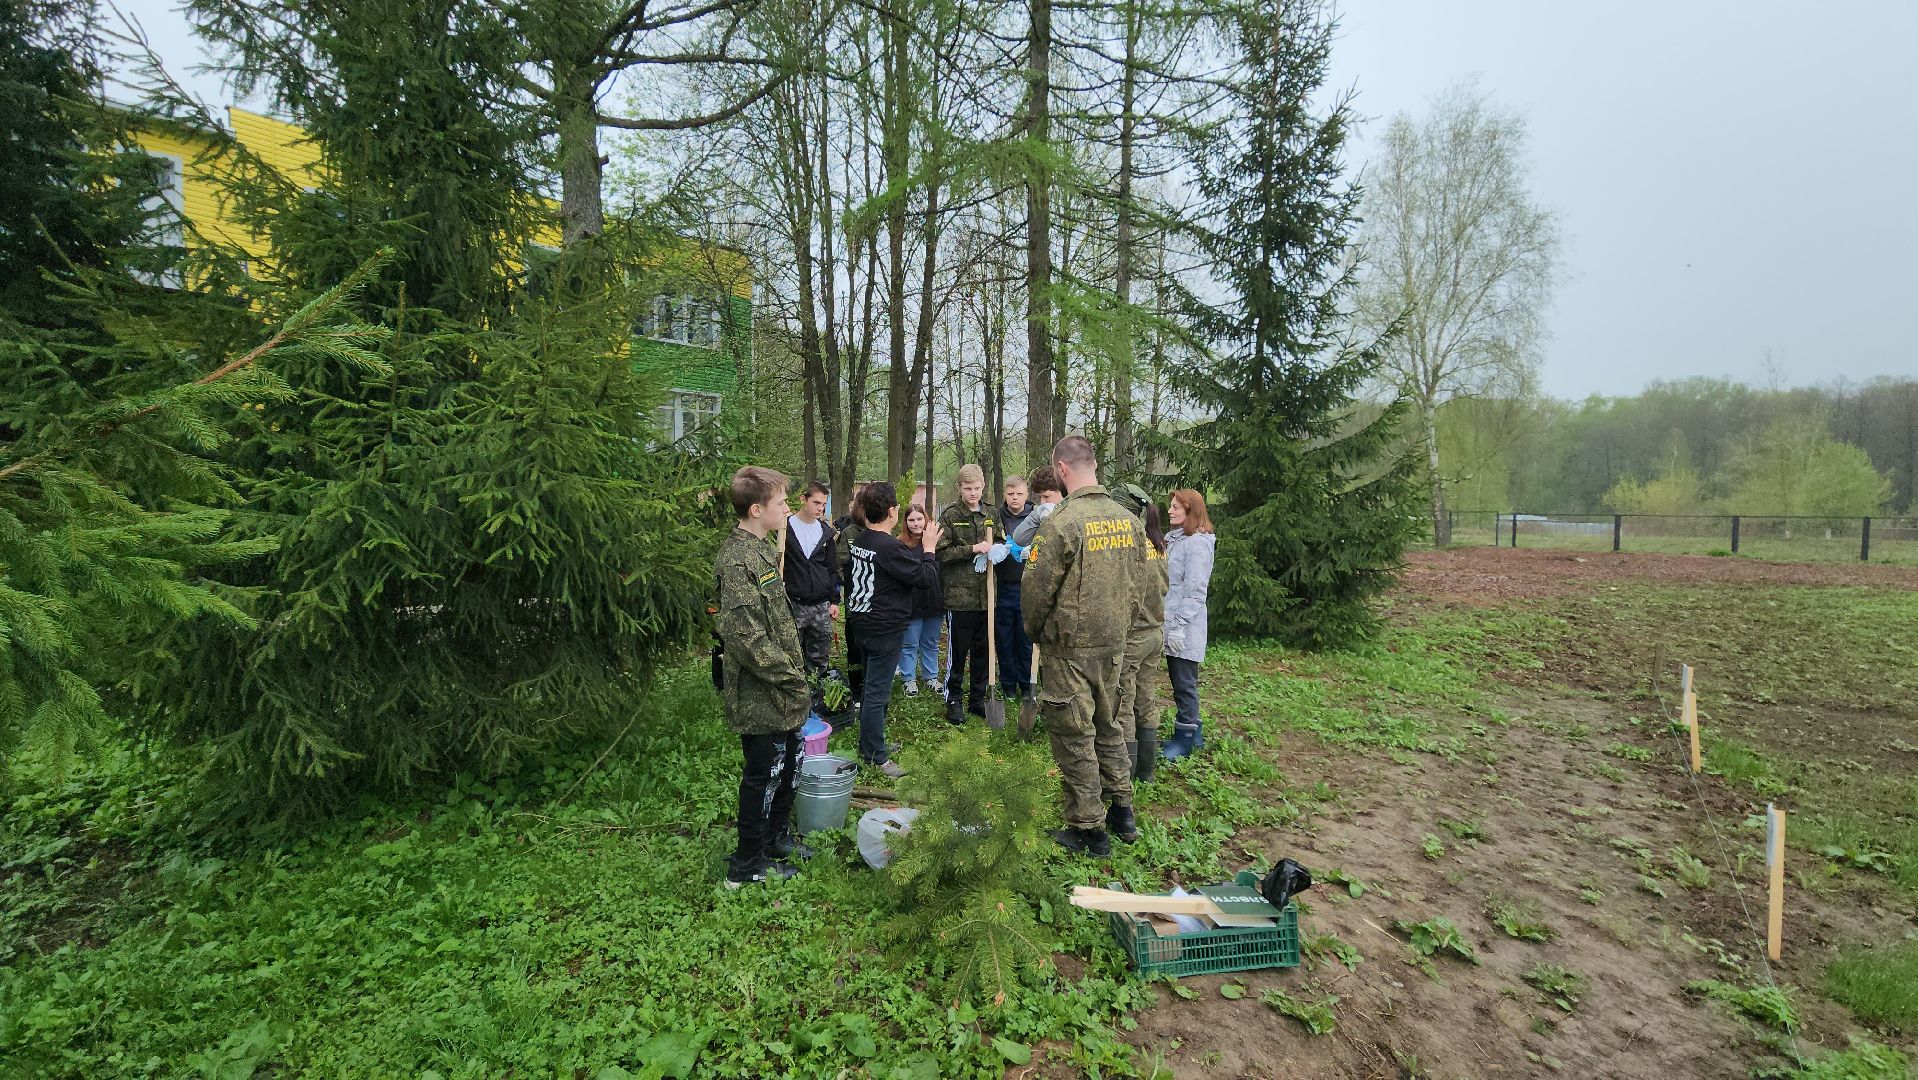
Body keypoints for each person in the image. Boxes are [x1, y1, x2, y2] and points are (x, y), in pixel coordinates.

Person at [1023, 436, 1145, 855]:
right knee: (1108, 724)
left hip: (1069, 649)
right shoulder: (1129, 521)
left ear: (1061, 468)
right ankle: (1123, 810)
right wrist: (1120, 629)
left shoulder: (1062, 522)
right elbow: (1139, 587)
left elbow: (1036, 590)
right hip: (1113, 645)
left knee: (1074, 734)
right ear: (1092, 464)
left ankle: (1088, 827)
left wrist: (1035, 631)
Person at [713, 466, 811, 887]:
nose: (787, 508)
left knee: (788, 766)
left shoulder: (762, 549)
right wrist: (792, 677)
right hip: (761, 691)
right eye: (781, 502)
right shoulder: (737, 560)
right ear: (757, 509)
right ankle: (746, 865)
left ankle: (775, 839)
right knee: (763, 776)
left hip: (782, 688)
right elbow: (746, 639)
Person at [847, 482, 941, 778]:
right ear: (892, 512)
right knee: (877, 692)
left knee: (872, 687)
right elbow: (925, 578)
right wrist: (929, 549)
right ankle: (876, 756)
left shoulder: (862, 539)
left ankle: (872, 743)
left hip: (862, 621)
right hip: (883, 627)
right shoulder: (888, 547)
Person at [1110, 488, 1168, 782]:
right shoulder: (1156, 542)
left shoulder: (1128, 547)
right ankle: (1147, 772)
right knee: (1146, 698)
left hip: (1133, 636)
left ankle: (1125, 774)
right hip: (1154, 633)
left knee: (1123, 702)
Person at [935, 464, 996, 725]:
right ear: (959, 488)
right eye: (968, 488)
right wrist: (972, 549)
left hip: (986, 595)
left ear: (983, 487)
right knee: (958, 652)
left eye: (977, 488)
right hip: (960, 597)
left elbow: (1001, 540)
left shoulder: (991, 513)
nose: (973, 493)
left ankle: (978, 698)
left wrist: (999, 549)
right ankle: (953, 699)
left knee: (983, 650)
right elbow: (940, 553)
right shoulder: (950, 515)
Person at [1160, 489, 1216, 761]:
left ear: (1190, 510)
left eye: (1176, 507)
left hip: (1185, 627)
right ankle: (1194, 735)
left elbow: (1195, 592)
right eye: (1170, 506)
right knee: (1180, 680)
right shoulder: (1177, 540)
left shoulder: (1197, 544)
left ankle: (1184, 740)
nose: (1170, 511)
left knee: (1184, 683)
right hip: (1171, 622)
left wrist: (1180, 625)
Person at [783, 481, 840, 686]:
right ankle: (794, 693)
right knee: (791, 655)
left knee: (819, 656)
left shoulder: (826, 533)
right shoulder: (785, 528)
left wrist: (834, 600)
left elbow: (832, 568)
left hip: (820, 605)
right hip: (793, 602)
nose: (820, 508)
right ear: (803, 499)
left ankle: (817, 693)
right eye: (816, 503)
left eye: (823, 504)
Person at [896, 503, 946, 697]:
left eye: (919, 519)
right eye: (911, 520)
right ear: (905, 522)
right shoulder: (900, 544)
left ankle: (931, 676)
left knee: (931, 642)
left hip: (934, 599)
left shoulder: (935, 542)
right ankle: (908, 679)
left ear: (926, 519)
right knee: (909, 643)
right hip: (912, 602)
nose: (916, 524)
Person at [995, 476, 1035, 702]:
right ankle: (1008, 684)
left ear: (1026, 495)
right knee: (1005, 638)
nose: (1015, 498)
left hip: (1028, 585)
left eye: (1019, 494)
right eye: (1010, 494)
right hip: (1004, 585)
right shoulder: (997, 516)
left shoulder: (1035, 516)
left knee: (1025, 637)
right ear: (1005, 495)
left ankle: (1026, 683)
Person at [835, 484, 869, 705]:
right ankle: (856, 690)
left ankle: (871, 689)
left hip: (878, 605)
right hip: (855, 603)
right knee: (855, 648)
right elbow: (838, 563)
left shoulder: (882, 531)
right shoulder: (849, 532)